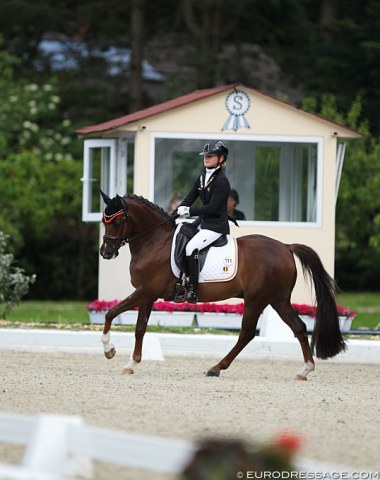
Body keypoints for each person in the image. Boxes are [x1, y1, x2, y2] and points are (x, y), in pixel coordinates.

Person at [176, 140, 230, 303]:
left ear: (221, 159)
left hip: (215, 226)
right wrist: (176, 211)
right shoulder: (201, 178)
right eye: (205, 155)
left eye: (211, 155)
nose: (206, 158)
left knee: (191, 247)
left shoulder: (222, 181)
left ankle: (192, 289)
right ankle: (180, 280)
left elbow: (213, 208)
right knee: (179, 235)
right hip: (203, 222)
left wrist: (190, 211)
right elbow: (190, 197)